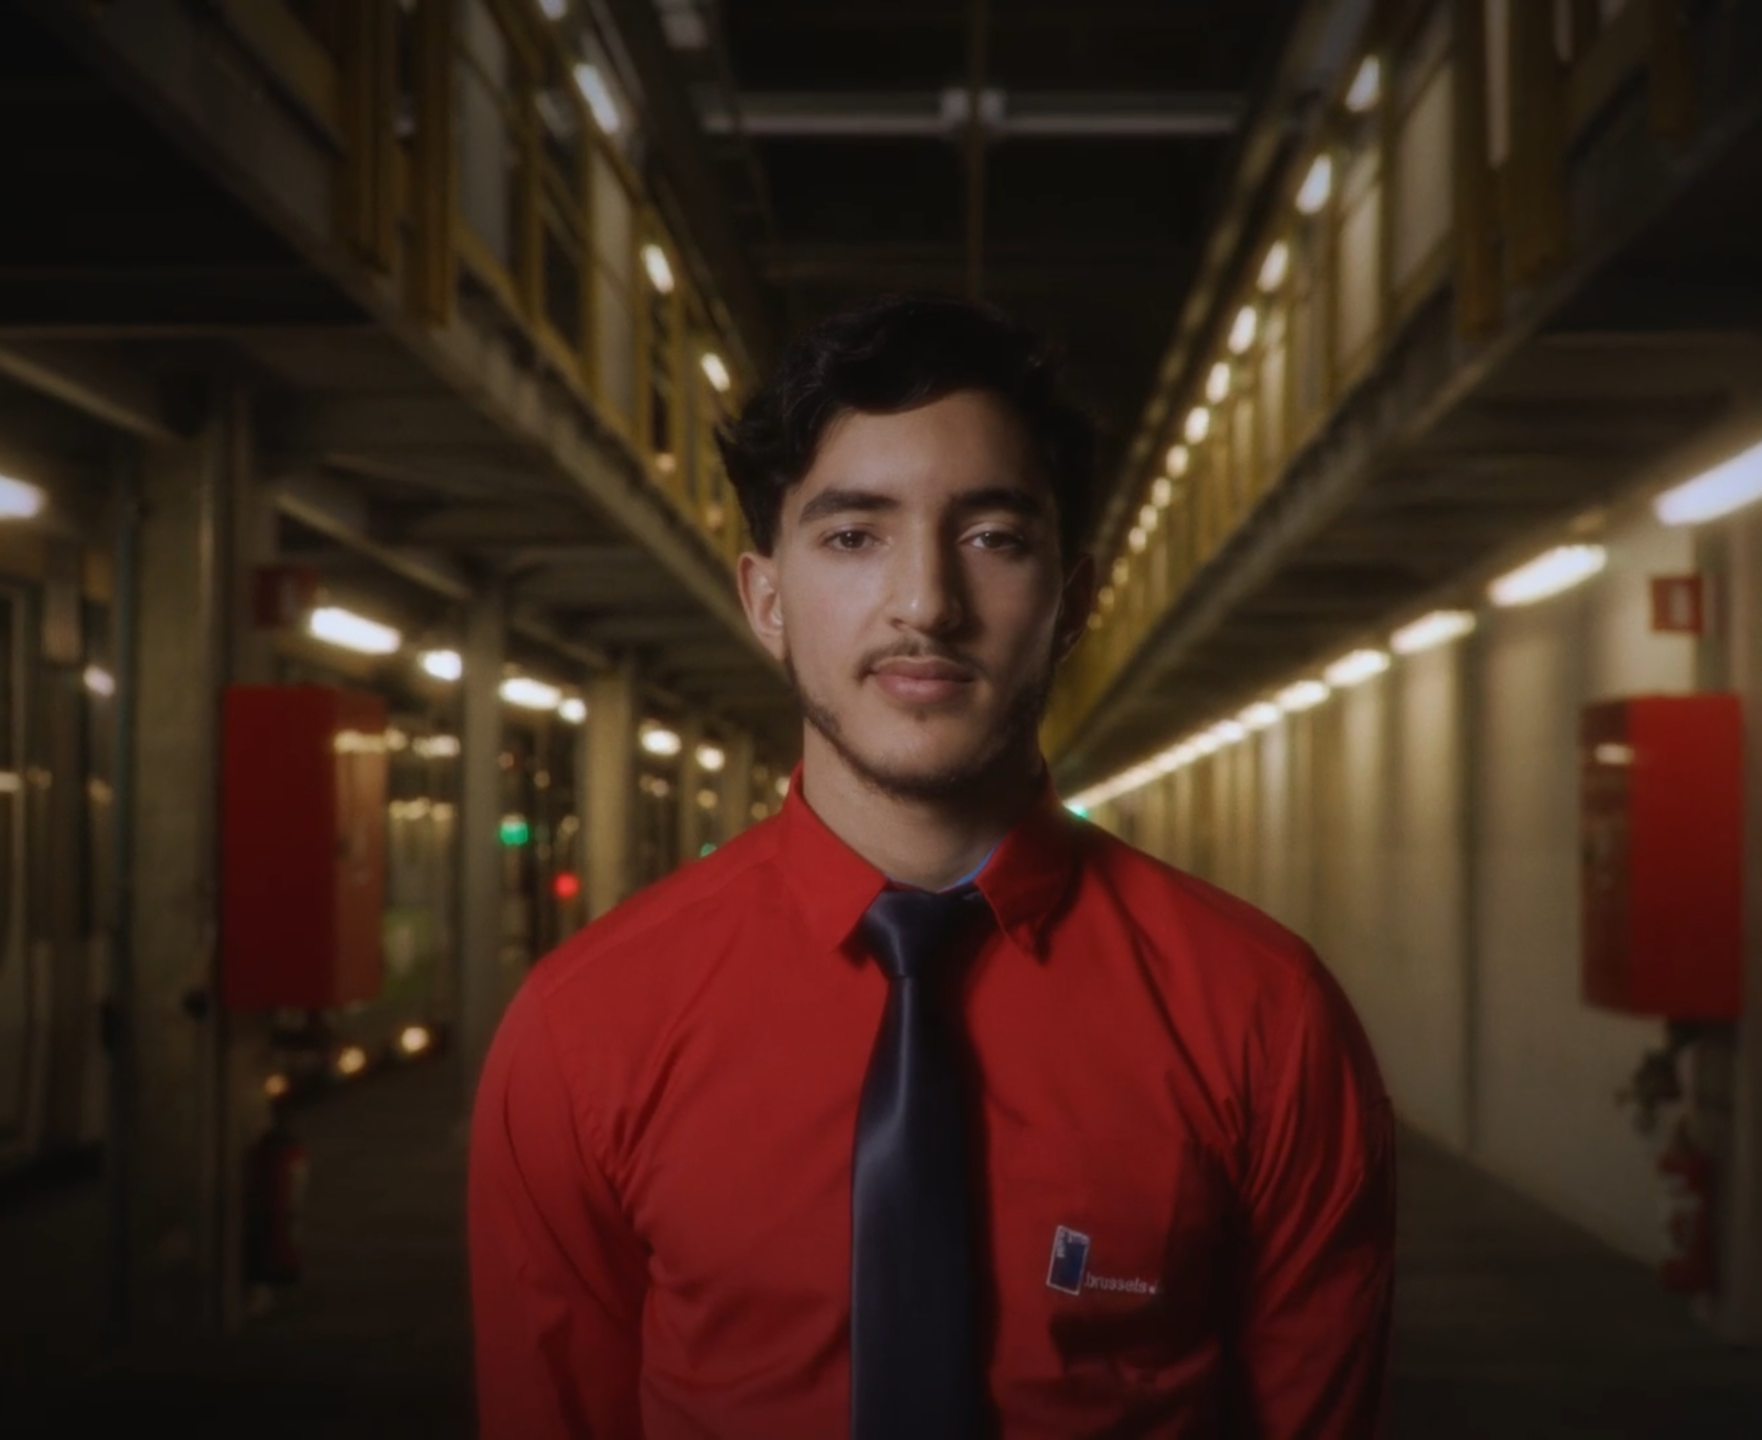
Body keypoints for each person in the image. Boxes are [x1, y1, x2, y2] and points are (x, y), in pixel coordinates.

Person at [468, 293, 1395, 1438]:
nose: (925, 604)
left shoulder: (1262, 1017)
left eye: (992, 538)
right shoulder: (586, 1028)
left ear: (1074, 602)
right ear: (765, 600)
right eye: (853, 536)